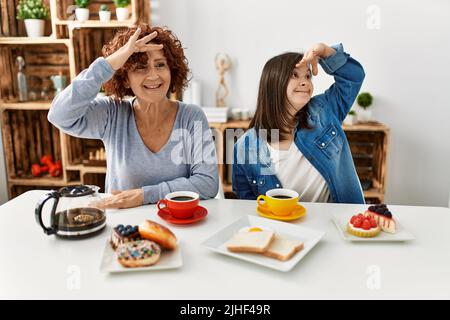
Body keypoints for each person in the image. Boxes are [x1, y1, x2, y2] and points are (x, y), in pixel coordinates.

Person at [48, 24, 219, 209]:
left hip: (178, 225)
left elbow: (207, 184)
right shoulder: (112, 113)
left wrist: (143, 195)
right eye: (140, 67)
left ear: (172, 70)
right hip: (123, 229)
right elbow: (59, 115)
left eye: (160, 65)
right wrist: (111, 62)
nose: (153, 75)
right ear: (125, 78)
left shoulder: (191, 117)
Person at [232, 43, 365, 203]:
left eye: (307, 76)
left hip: (335, 223)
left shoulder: (325, 110)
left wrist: (325, 52)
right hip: (280, 225)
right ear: (273, 83)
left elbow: (354, 76)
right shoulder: (245, 146)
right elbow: (246, 203)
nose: (305, 82)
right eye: (295, 75)